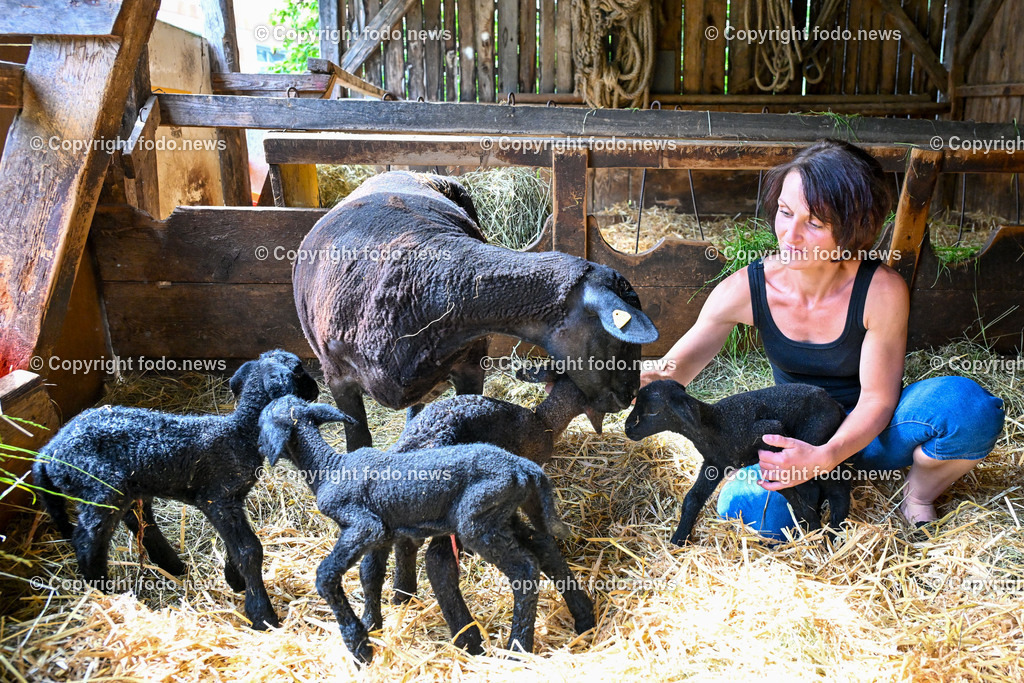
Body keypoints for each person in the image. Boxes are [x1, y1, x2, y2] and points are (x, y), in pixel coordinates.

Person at [639, 139, 1005, 539]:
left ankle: (917, 496)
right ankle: (819, 488)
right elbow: (674, 372)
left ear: (853, 228)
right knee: (741, 507)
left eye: (814, 223)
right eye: (784, 212)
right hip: (798, 437)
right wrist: (622, 380)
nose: (790, 235)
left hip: (873, 438)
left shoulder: (880, 291)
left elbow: (879, 399)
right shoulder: (745, 289)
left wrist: (826, 457)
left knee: (970, 408)